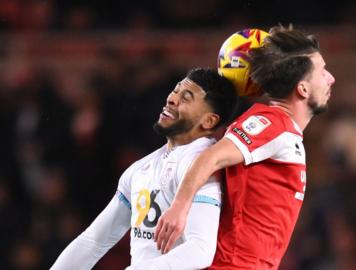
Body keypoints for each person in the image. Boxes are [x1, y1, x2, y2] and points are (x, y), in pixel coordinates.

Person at [155, 26, 336, 269]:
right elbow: (212, 157)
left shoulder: (281, 130)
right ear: (302, 89)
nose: (331, 78)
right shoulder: (272, 124)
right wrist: (180, 207)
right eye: (323, 72)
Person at [51, 68, 238, 270]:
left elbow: (200, 250)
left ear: (209, 120)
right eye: (175, 91)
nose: (172, 99)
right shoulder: (141, 169)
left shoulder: (202, 166)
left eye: (186, 97)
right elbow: (94, 241)